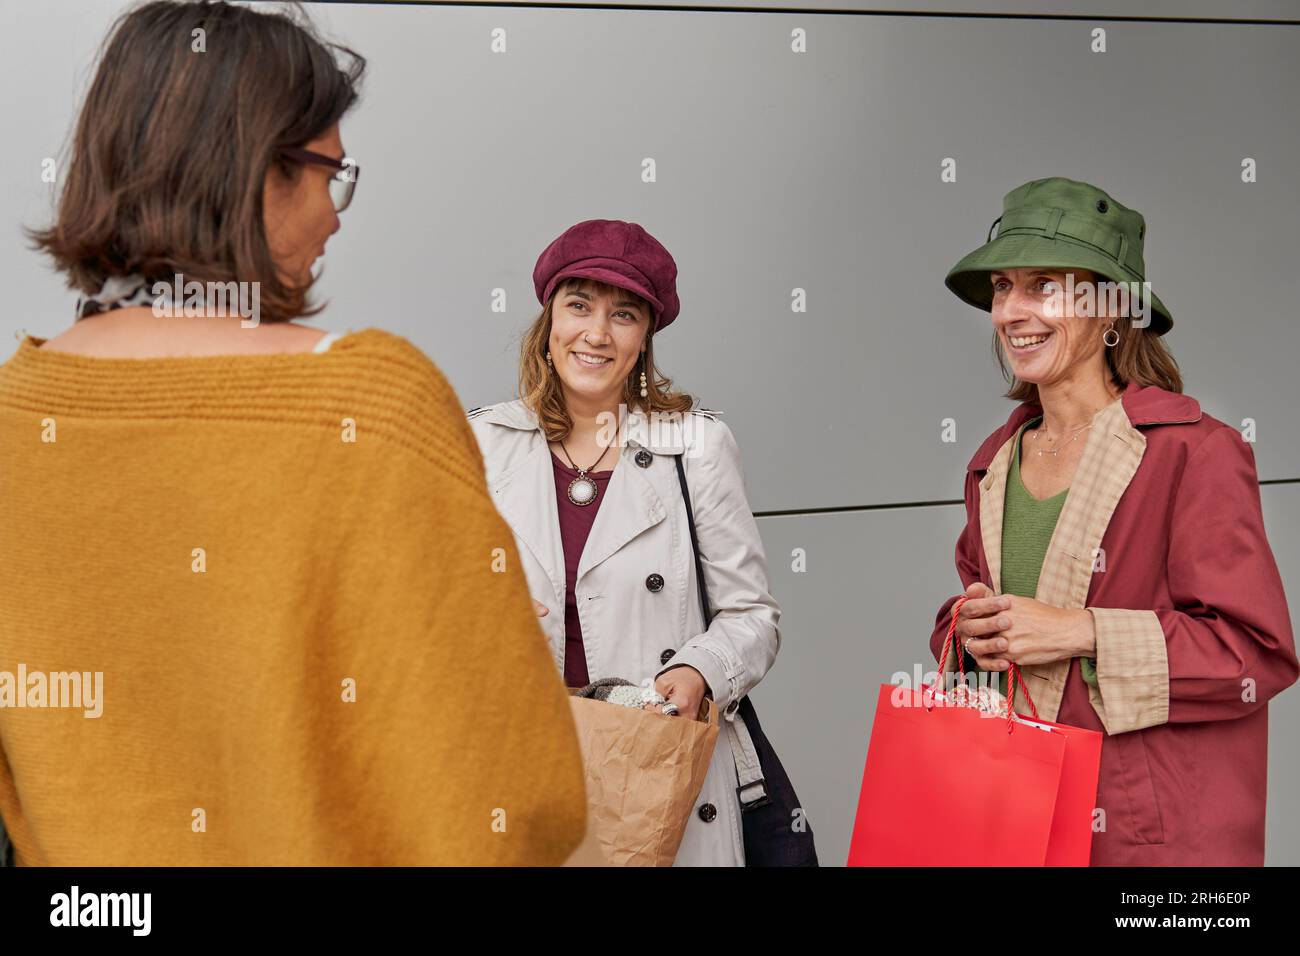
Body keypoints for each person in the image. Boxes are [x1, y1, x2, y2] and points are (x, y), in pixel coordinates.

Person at [0, 0, 585, 866]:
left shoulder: (16, 414)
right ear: (256, 169)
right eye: (327, 174)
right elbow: (509, 793)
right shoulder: (370, 398)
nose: (337, 214)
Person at [930, 176, 1298, 865]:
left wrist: (1080, 630)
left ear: (1111, 312)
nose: (1012, 310)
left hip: (1152, 841)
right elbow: (981, 625)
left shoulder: (1196, 452)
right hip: (1020, 823)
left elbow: (1255, 653)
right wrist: (967, 630)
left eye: (1044, 285)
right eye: (1004, 286)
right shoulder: (994, 463)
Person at [468, 219, 792, 866]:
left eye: (623, 314)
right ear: (549, 319)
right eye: (579, 306)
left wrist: (700, 669)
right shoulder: (483, 445)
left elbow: (753, 618)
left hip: (656, 776)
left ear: (645, 337)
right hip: (520, 772)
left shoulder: (695, 448)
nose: (596, 334)